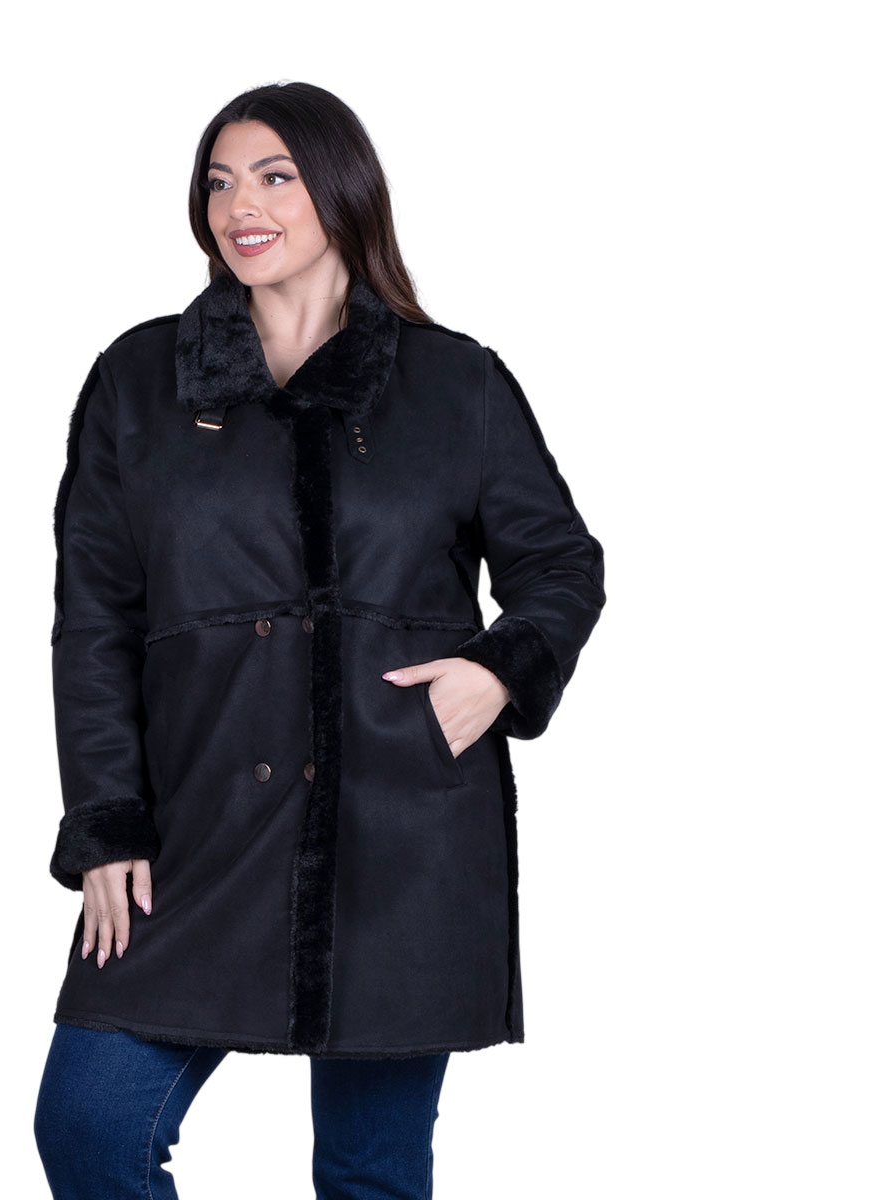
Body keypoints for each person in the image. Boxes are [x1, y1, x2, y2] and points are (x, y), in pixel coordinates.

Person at [33, 81, 606, 1200]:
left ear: (342, 191)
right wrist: (106, 823)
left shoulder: (456, 382)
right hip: (196, 822)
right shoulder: (140, 381)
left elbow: (560, 565)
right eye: (219, 182)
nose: (239, 206)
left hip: (403, 825)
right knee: (91, 1123)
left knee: (369, 1174)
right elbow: (93, 618)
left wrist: (498, 673)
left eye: (274, 176)